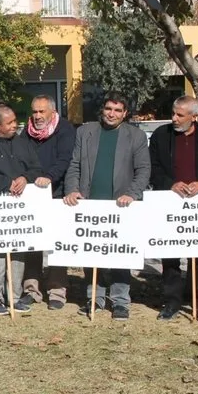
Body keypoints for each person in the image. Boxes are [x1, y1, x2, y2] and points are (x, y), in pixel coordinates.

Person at [63, 93, 151, 320]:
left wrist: (132, 194)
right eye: (109, 108)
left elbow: (143, 170)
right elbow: (74, 165)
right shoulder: (85, 132)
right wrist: (72, 189)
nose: (112, 114)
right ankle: (95, 298)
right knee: (92, 254)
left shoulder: (136, 136)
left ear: (125, 113)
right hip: (90, 204)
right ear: (102, 109)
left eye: (117, 110)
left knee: (121, 256)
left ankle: (120, 301)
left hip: (121, 206)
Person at [148, 96, 198, 321]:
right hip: (171, 201)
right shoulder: (161, 135)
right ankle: (171, 300)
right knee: (170, 254)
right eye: (173, 113)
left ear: (194, 117)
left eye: (180, 115)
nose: (174, 118)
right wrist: (169, 184)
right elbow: (153, 167)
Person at [0, 103, 45, 315]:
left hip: (18, 213)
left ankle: (13, 296)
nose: (15, 125)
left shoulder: (22, 143)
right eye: (10, 122)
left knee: (18, 255)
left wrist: (25, 178)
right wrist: (6, 182)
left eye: (15, 120)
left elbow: (36, 168)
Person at [16, 94, 75, 311]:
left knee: (56, 245)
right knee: (33, 243)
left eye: (42, 111)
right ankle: (31, 289)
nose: (37, 116)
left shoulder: (65, 129)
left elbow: (65, 159)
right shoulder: (27, 132)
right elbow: (21, 157)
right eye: (34, 111)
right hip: (33, 194)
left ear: (52, 111)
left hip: (58, 192)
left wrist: (50, 176)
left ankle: (57, 290)